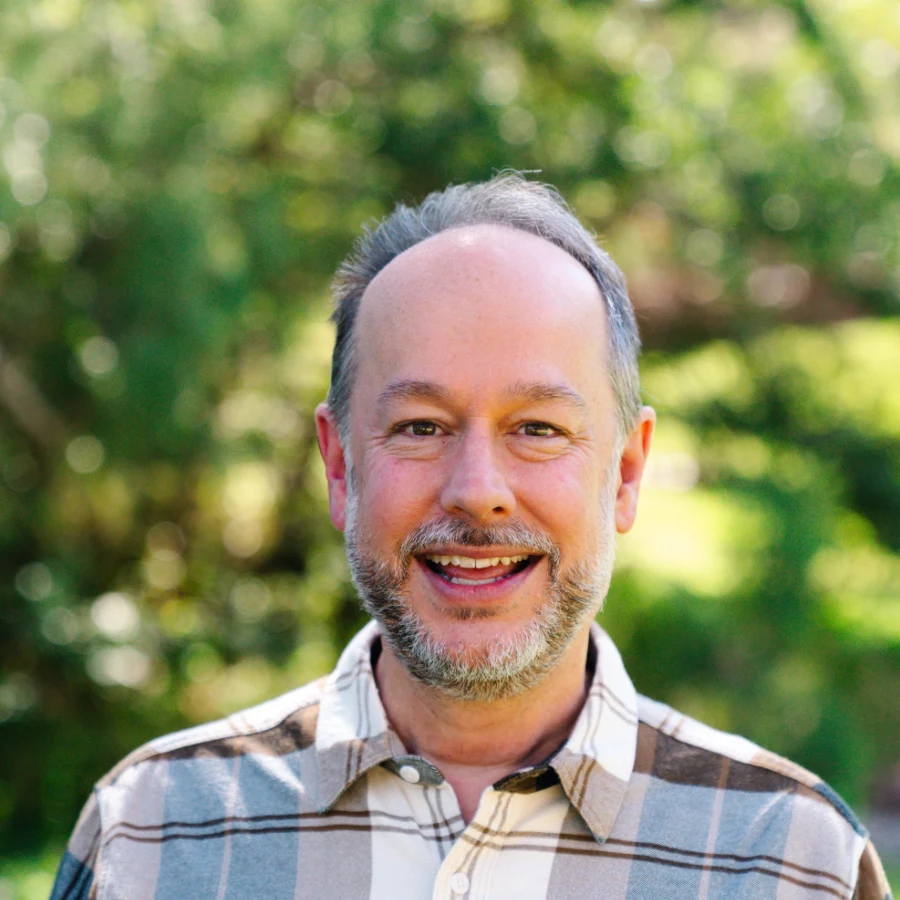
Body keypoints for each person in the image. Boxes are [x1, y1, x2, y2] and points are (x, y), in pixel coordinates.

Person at [51, 174, 892, 899]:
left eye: (538, 428)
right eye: (420, 427)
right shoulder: (154, 834)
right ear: (340, 468)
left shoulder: (788, 860)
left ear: (626, 473)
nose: (478, 492)